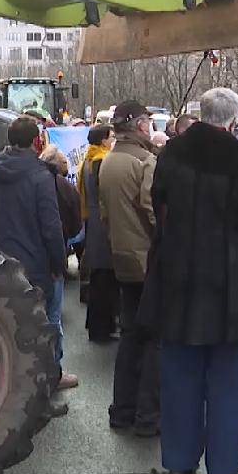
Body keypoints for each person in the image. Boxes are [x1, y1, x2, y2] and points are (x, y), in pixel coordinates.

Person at [139, 88, 238, 474]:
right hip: (231, 283)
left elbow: (158, 204)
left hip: (179, 277)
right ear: (233, 120)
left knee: (180, 375)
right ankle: (225, 465)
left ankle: (178, 457)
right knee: (228, 384)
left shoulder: (173, 153)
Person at [0, 116, 71, 413]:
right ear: (37, 141)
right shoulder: (39, 176)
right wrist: (59, 262)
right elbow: (51, 226)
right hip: (35, 264)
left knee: (8, 331)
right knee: (42, 332)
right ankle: (42, 397)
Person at [100, 100, 160, 436]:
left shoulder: (109, 159)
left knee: (130, 337)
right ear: (139, 124)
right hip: (147, 258)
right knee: (153, 339)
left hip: (121, 256)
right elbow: (152, 210)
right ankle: (147, 415)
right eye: (148, 122)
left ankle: (122, 410)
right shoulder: (145, 161)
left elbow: (105, 212)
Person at [41, 145, 83, 392]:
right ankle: (53, 371)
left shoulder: (15, 181)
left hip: (23, 255)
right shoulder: (63, 188)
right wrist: (61, 260)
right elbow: (72, 227)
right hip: (51, 259)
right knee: (52, 317)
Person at [78, 125, 118, 342]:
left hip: (92, 222)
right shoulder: (100, 161)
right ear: (103, 140)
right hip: (101, 226)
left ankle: (97, 325)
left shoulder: (88, 159)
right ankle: (102, 327)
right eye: (111, 137)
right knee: (103, 279)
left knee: (98, 278)